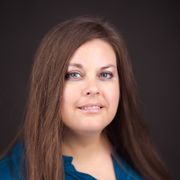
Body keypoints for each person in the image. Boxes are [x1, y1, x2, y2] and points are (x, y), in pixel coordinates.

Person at [0, 16, 170, 180]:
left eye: (105, 74)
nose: (93, 89)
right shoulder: (10, 174)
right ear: (48, 87)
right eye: (74, 74)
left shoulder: (138, 155)